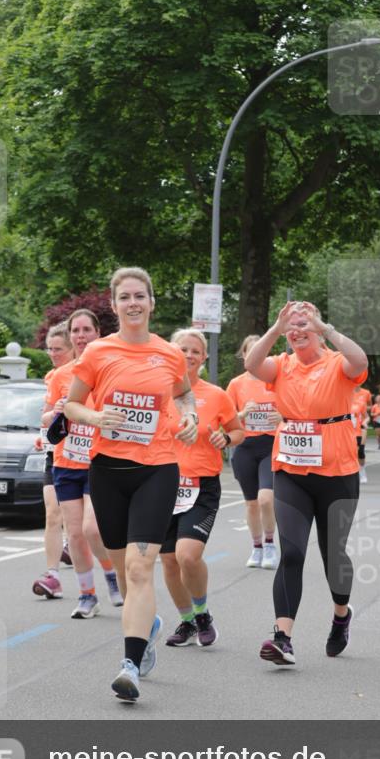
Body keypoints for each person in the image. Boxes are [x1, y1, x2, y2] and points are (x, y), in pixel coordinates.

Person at [64, 267, 198, 701]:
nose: (133, 303)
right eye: (125, 297)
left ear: (152, 302)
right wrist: (97, 417)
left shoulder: (170, 354)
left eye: (140, 295)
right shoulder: (98, 353)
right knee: (124, 573)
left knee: (142, 569)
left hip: (157, 468)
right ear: (115, 304)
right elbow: (71, 405)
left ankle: (130, 665)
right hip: (107, 471)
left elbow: (182, 393)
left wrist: (190, 416)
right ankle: (149, 627)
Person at [244, 301, 368, 666]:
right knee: (293, 551)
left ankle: (341, 615)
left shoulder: (336, 363)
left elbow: (359, 361)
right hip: (292, 471)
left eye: (304, 325)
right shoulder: (281, 366)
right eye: (292, 326)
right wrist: (276, 327)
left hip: (338, 471)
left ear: (318, 328)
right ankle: (282, 637)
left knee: (333, 555)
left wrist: (325, 327)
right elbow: (252, 364)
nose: (297, 331)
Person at [160, 329, 243, 649]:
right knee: (168, 560)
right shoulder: (160, 393)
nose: (189, 355)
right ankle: (186, 621)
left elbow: (238, 431)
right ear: (173, 353)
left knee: (187, 556)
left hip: (202, 484)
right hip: (163, 483)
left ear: (204, 357)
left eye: (196, 351)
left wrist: (227, 439)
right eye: (183, 349)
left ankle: (203, 613)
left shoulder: (217, 395)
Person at [40, 309, 123, 616]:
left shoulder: (110, 371)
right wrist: (57, 411)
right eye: (76, 330)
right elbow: (46, 417)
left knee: (92, 529)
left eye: (87, 329)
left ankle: (111, 573)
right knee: (74, 533)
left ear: (97, 333)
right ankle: (87, 594)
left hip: (99, 461)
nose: (81, 335)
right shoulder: (62, 375)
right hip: (65, 461)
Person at [226, 336, 282, 568]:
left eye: (263, 351)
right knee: (251, 504)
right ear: (244, 355)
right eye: (251, 352)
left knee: (266, 500)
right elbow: (225, 421)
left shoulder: (278, 381)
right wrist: (241, 415)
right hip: (246, 448)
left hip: (271, 445)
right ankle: (256, 547)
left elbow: (296, 411)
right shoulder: (236, 384)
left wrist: (282, 418)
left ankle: (270, 544)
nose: (257, 355)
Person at [31, 322, 74, 600]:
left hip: (84, 457)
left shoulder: (88, 373)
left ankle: (78, 546)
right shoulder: (53, 377)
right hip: (55, 453)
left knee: (83, 523)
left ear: (72, 349)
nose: (53, 353)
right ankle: (52, 574)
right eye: (49, 349)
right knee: (52, 512)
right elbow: (46, 417)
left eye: (58, 349)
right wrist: (42, 437)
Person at [351, 386, 369, 484]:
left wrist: (365, 422)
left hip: (358, 431)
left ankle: (362, 471)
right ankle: (352, 474)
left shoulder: (360, 403)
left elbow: (366, 417)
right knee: (349, 453)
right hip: (345, 433)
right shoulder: (340, 403)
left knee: (360, 452)